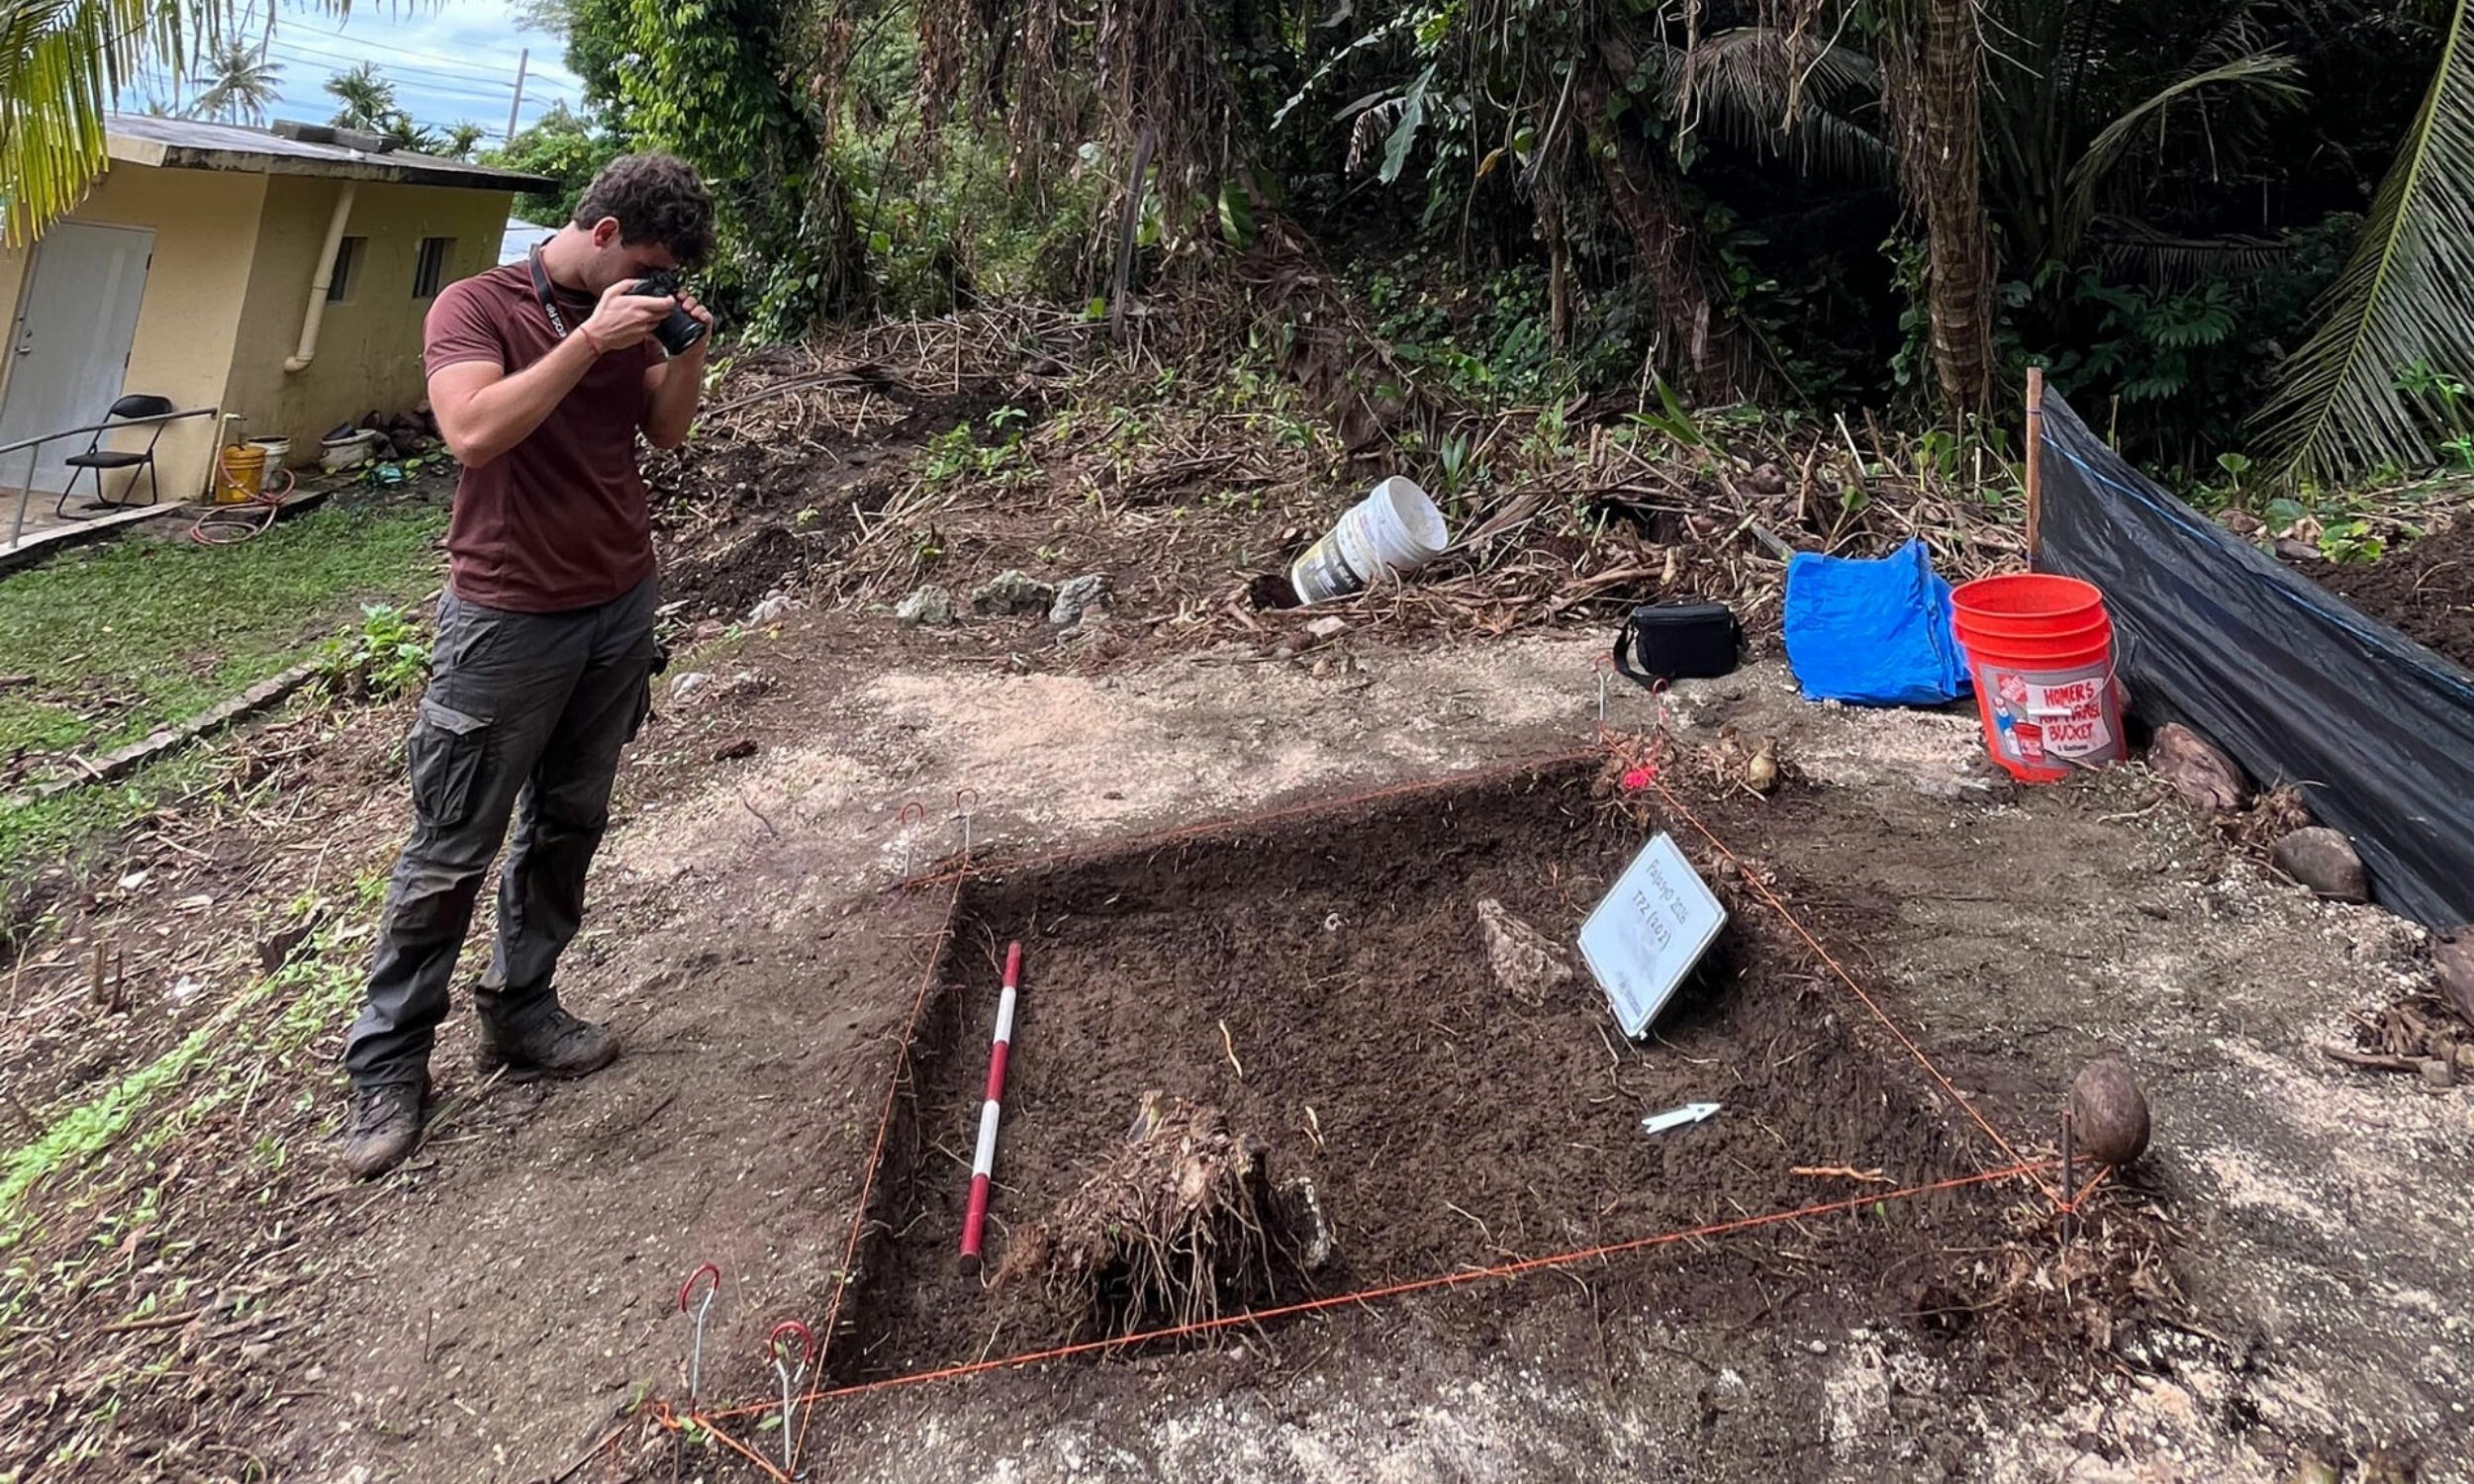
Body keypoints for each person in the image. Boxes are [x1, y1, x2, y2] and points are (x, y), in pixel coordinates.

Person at [339, 153, 717, 1178]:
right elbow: (471, 432)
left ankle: (521, 1005)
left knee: (570, 820)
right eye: (641, 263)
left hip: (616, 602)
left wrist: (682, 353)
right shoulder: (478, 306)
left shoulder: (627, 313)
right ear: (600, 233)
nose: (646, 283)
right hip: (504, 617)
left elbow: (667, 434)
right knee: (450, 846)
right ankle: (388, 1065)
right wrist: (587, 341)